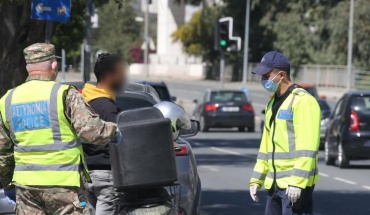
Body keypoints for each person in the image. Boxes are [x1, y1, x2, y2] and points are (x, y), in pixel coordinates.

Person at [0, 43, 122, 215]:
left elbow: (3, 152)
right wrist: (116, 132)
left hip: (26, 187)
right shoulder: (64, 94)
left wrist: (8, 184)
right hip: (64, 185)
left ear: (28, 67)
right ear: (54, 65)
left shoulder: (8, 99)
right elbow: (91, 131)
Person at [249, 51, 320, 215]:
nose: (263, 80)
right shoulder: (273, 101)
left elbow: (307, 147)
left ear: (281, 74)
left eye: (266, 75)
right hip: (274, 185)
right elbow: (266, 146)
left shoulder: (302, 101)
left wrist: (297, 182)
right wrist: (257, 179)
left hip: (294, 187)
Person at [82, 53, 127, 215]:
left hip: (87, 174)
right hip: (106, 175)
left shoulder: (84, 102)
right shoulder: (107, 107)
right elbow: (118, 142)